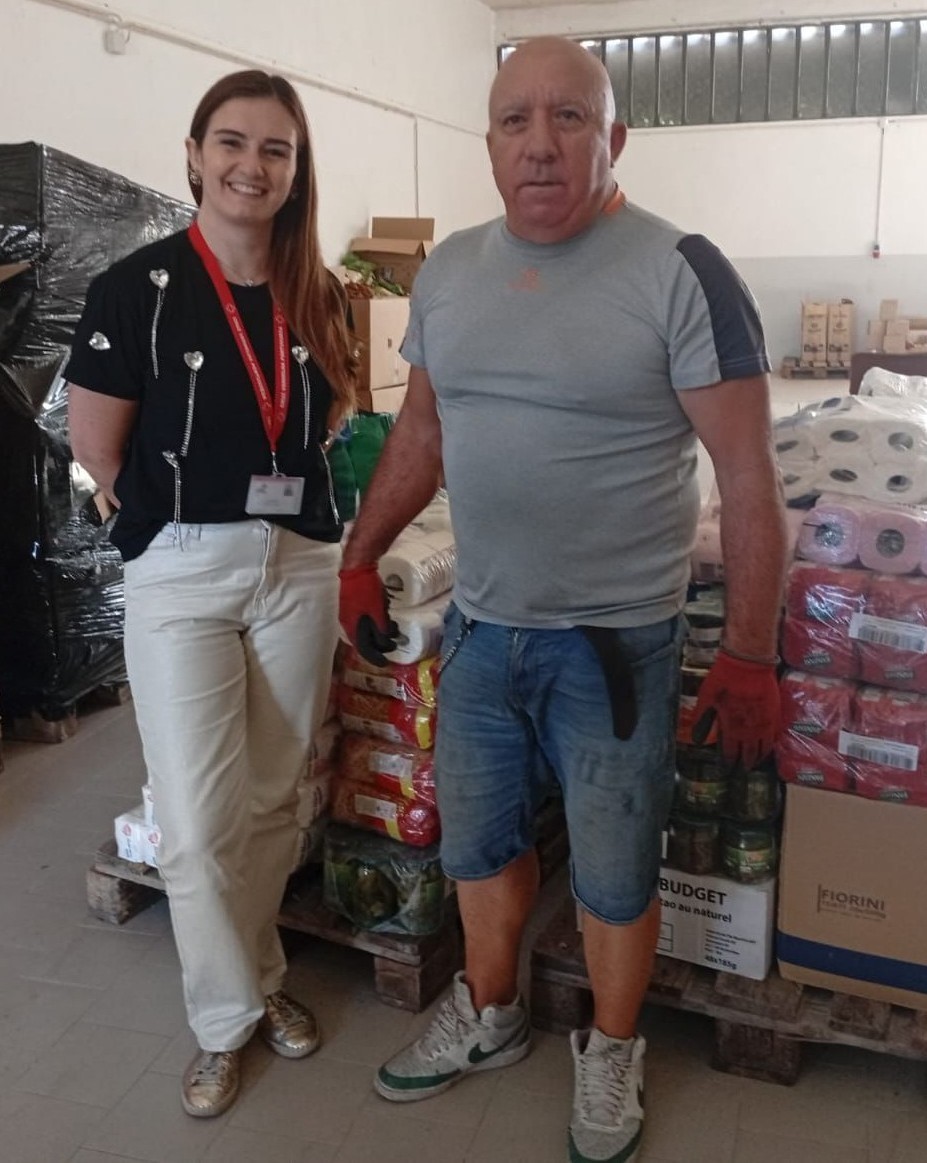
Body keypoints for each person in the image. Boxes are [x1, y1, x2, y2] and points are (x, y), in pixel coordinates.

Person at [338, 36, 786, 1163]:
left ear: (613, 136)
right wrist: (360, 553)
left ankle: (613, 1046)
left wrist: (750, 651)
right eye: (514, 121)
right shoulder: (450, 274)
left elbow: (746, 477)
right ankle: (491, 1012)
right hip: (482, 634)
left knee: (615, 870)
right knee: (479, 848)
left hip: (615, 651)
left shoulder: (680, 271)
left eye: (568, 118)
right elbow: (421, 435)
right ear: (488, 143)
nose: (539, 145)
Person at [67, 70, 357, 1119]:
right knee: (192, 822)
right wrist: (169, 531)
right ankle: (227, 1018)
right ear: (194, 154)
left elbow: (328, 423)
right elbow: (98, 449)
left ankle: (260, 974)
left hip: (299, 562)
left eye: (276, 149)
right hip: (183, 568)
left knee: (276, 798)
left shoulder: (320, 292)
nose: (252, 165)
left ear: (297, 168)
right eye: (231, 142)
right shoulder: (134, 289)